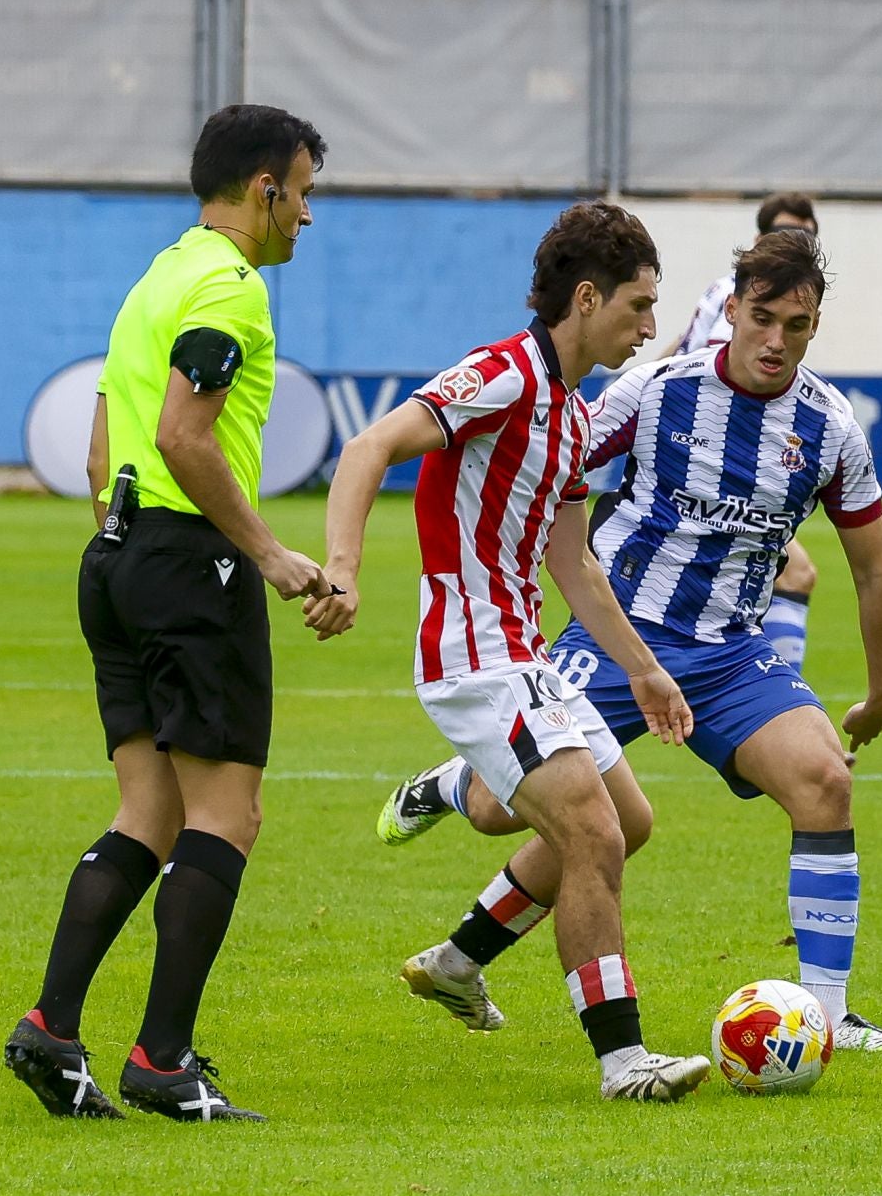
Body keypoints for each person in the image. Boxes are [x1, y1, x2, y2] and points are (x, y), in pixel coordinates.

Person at [374, 229, 882, 1054]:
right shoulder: (655, 391)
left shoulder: (832, 428)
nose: (776, 340)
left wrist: (880, 694)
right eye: (762, 317)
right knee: (507, 811)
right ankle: (455, 786)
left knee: (823, 783)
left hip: (734, 653)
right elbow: (542, 463)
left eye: (797, 326)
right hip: (621, 636)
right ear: (730, 310)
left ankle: (830, 1015)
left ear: (815, 328)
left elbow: (877, 572)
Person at [302, 202, 711, 1103]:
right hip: (473, 656)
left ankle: (455, 956)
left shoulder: (570, 413)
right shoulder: (504, 374)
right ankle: (623, 1063)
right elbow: (370, 447)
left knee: (624, 823)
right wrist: (343, 568)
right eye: (640, 307)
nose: (649, 327)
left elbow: (574, 560)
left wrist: (644, 669)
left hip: (523, 656)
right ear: (589, 296)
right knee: (591, 829)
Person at [4, 104, 331, 1122]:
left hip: (116, 558)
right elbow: (188, 437)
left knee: (148, 814)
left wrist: (129, 547)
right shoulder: (230, 290)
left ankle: (51, 1031)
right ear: (264, 187)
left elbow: (107, 450)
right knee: (228, 814)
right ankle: (164, 1056)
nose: (308, 218)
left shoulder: (157, 276)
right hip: (192, 566)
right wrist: (264, 550)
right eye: (304, 192)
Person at [659, 192, 821, 672]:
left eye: (807, 236)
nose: (799, 243)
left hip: (693, 453)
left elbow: (679, 349)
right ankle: (782, 714)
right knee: (795, 574)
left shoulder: (724, 292)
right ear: (758, 242)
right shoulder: (744, 296)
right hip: (699, 460)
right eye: (786, 235)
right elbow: (715, 372)